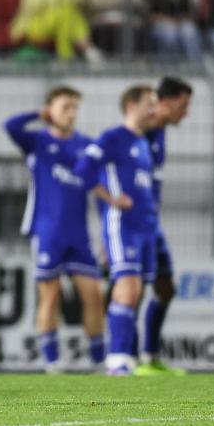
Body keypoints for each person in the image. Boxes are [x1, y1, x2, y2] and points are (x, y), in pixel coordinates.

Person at [4, 86, 111, 373]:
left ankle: (99, 360)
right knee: (51, 296)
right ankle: (52, 362)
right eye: (66, 107)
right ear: (51, 109)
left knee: (94, 295)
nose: (72, 113)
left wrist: (106, 236)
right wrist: (38, 115)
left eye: (75, 107)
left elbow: (101, 190)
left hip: (79, 234)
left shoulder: (87, 147)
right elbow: (10, 126)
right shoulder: (36, 142)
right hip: (46, 230)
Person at [75, 85, 159, 376]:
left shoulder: (143, 143)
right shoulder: (113, 137)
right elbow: (83, 169)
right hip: (122, 224)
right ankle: (117, 359)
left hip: (144, 226)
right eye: (150, 103)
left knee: (137, 290)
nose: (154, 109)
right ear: (132, 105)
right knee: (127, 286)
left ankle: (126, 355)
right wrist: (110, 199)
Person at [134, 76, 193, 377]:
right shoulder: (138, 131)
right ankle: (122, 358)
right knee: (129, 288)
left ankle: (150, 356)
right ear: (166, 103)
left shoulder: (160, 132)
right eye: (183, 106)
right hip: (132, 224)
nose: (187, 112)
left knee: (165, 287)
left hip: (151, 223)